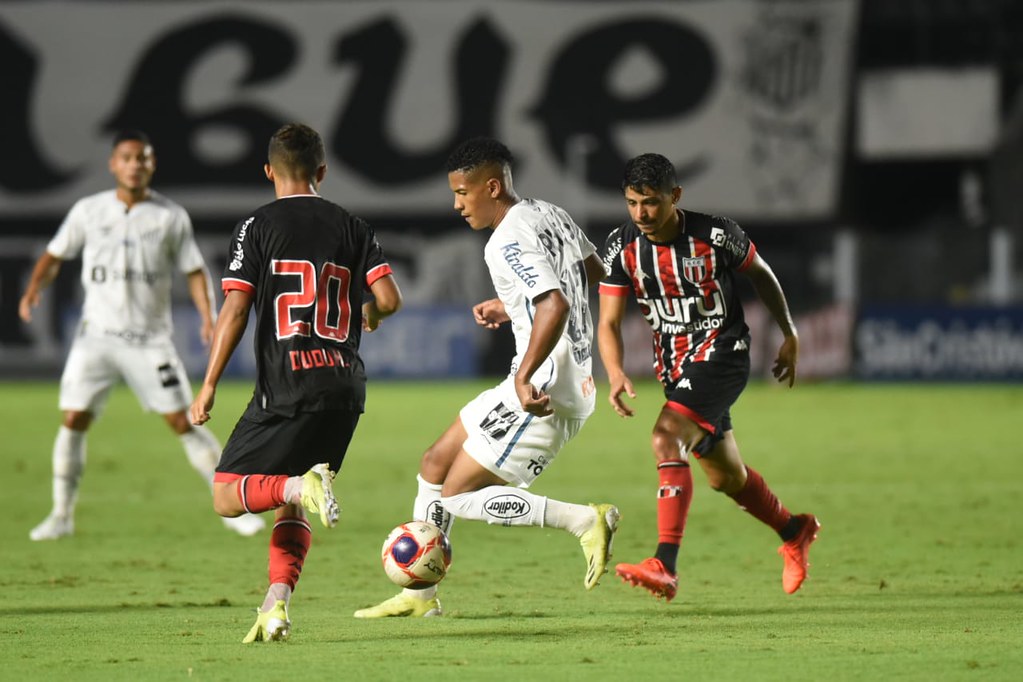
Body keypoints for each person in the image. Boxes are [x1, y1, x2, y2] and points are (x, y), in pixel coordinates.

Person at [353, 137, 619, 619]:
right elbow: (593, 272)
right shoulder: (550, 213)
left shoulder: (505, 240)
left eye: (463, 192)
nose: (456, 205)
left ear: (492, 187)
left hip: (543, 386)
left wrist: (524, 377)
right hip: (556, 374)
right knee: (435, 463)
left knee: (458, 497)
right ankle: (419, 599)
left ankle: (584, 520)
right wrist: (515, 306)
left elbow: (555, 304)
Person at [190, 122, 402, 643]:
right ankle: (275, 605)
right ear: (322, 172)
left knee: (227, 495)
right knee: (291, 502)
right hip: (345, 388)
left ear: (269, 171)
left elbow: (236, 307)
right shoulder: (353, 224)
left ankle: (296, 485)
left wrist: (209, 383)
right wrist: (366, 315)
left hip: (287, 386)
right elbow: (391, 300)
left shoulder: (257, 226)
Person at [18, 129, 265, 541]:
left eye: (142, 158)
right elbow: (54, 254)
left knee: (184, 420)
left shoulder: (169, 216)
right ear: (113, 164)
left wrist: (207, 315)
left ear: (152, 165)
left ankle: (232, 508)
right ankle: (61, 514)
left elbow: (193, 270)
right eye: (127, 158)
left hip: (149, 340)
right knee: (73, 417)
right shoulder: (88, 211)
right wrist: (32, 289)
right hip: (95, 337)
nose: (135, 165)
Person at [596, 152, 820, 602]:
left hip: (724, 351)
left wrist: (790, 333)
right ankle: (795, 530)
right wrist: (616, 371)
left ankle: (665, 565)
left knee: (665, 438)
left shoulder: (716, 235)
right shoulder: (622, 245)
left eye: (652, 202)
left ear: (675, 196)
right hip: (675, 367)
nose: (642, 213)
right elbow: (608, 322)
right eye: (633, 203)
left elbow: (761, 274)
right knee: (726, 478)